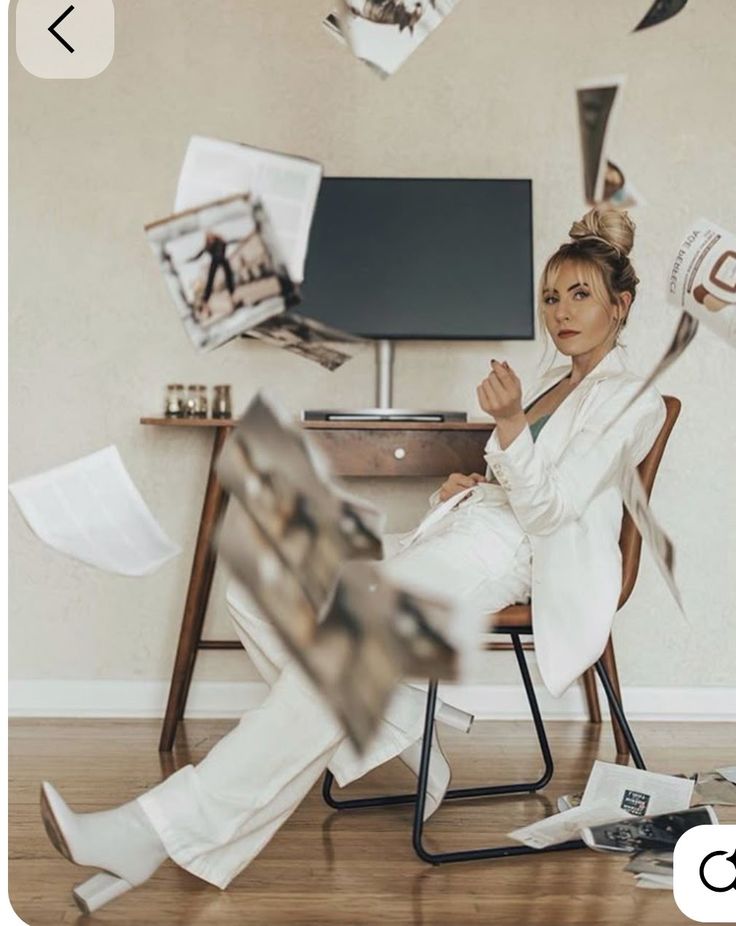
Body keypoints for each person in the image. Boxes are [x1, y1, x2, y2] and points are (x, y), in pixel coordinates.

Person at [39, 207, 667, 913]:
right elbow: (526, 481)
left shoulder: (631, 401)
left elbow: (551, 513)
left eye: (581, 294)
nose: (560, 311)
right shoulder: (557, 381)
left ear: (622, 304)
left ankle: (154, 828)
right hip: (464, 532)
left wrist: (512, 428)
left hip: (512, 556)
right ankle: (399, 726)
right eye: (551, 295)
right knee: (260, 582)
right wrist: (475, 482)